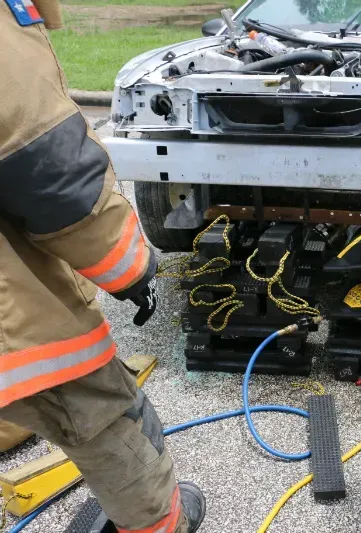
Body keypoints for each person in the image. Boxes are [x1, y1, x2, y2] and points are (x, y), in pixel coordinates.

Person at [0, 2, 205, 532]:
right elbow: (53, 174)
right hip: (11, 317)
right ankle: (160, 525)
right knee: (108, 417)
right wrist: (134, 270)